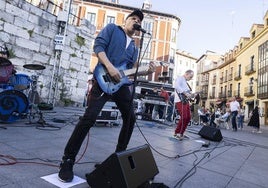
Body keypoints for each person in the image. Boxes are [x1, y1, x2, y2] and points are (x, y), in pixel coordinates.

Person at [58, 9, 156, 182]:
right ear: (126, 21)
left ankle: (118, 158)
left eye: (139, 21)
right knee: (89, 118)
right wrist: (110, 66)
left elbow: (129, 72)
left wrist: (145, 71)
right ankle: (68, 159)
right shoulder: (112, 29)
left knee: (130, 118)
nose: (136, 22)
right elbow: (98, 46)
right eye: (133, 18)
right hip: (103, 78)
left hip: (120, 86)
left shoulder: (134, 47)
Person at [173, 70, 194, 140]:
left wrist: (192, 95)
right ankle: (177, 133)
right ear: (186, 74)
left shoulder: (185, 82)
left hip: (185, 101)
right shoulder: (180, 78)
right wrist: (185, 93)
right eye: (190, 77)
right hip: (180, 101)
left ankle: (181, 133)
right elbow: (176, 86)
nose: (191, 78)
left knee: (188, 117)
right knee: (184, 117)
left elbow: (187, 93)